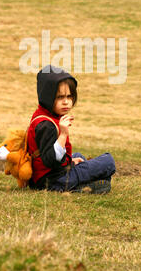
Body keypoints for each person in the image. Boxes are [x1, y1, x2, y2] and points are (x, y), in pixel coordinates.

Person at [27, 65, 116, 193]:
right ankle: (78, 187)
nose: (66, 102)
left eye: (69, 96)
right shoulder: (46, 125)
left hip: (48, 175)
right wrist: (63, 134)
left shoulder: (45, 114)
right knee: (108, 162)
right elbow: (50, 160)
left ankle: (90, 184)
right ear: (47, 97)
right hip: (51, 180)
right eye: (60, 97)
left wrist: (71, 162)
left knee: (78, 157)